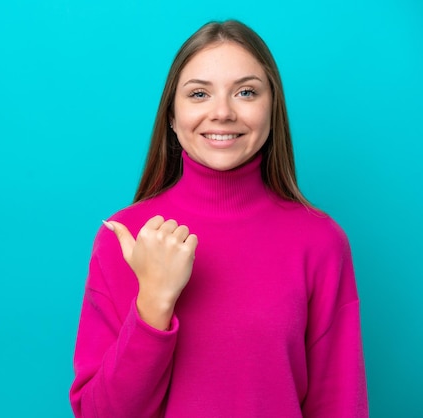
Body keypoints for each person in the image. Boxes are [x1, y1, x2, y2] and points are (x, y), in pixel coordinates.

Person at [70, 20, 368, 417]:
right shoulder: (124, 239)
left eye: (246, 92)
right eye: (199, 94)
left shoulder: (321, 242)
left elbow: (339, 405)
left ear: (273, 109)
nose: (223, 112)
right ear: (172, 117)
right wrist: (154, 301)